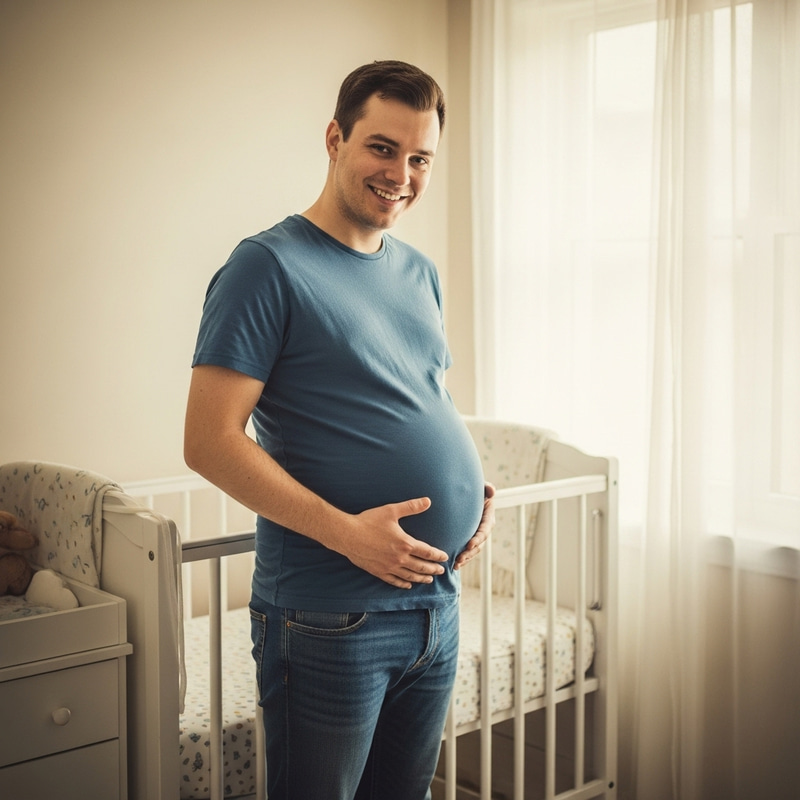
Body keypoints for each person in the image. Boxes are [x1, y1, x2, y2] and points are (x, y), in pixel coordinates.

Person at [184, 60, 496, 800]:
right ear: (335, 139)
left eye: (421, 158)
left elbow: (413, 397)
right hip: (330, 616)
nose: (402, 175)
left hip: (435, 603)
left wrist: (467, 488)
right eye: (382, 148)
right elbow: (208, 441)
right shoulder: (267, 267)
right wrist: (348, 533)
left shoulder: (418, 272)